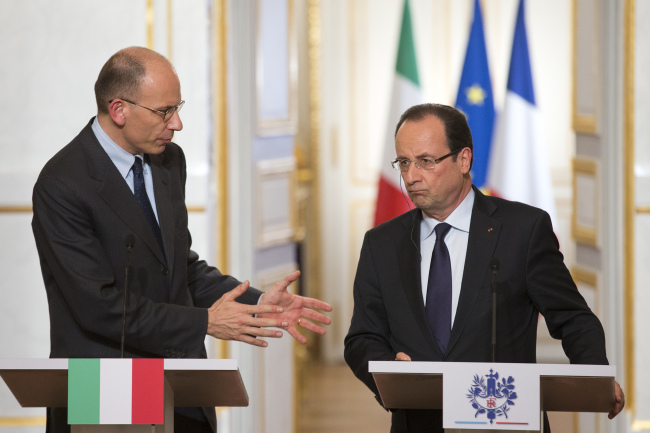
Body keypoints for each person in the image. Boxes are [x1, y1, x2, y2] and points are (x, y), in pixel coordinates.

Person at [32, 46, 332, 433]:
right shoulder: (63, 183)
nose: (177, 124)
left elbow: (177, 268)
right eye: (164, 111)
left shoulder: (169, 162)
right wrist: (205, 322)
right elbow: (98, 306)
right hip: (106, 381)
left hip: (178, 379)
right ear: (119, 109)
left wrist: (257, 303)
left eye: (178, 107)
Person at [344, 103, 624, 432]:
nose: (410, 177)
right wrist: (390, 370)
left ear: (463, 159)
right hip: (419, 422)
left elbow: (572, 317)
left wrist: (595, 377)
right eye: (404, 162)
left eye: (426, 161)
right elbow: (362, 338)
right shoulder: (382, 244)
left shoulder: (523, 229)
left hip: (505, 419)